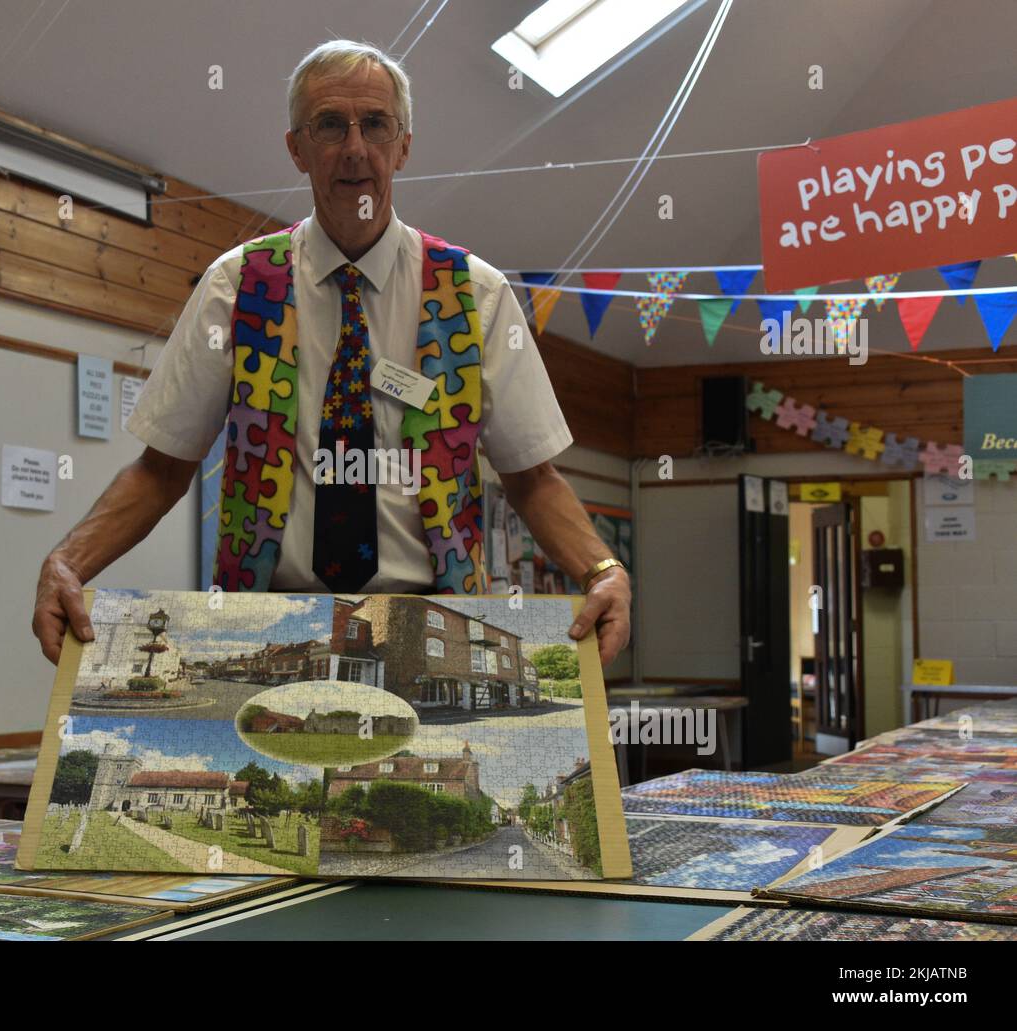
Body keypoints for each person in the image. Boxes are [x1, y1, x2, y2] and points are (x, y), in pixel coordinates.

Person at [33, 40, 630, 665]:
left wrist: (603, 569)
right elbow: (161, 469)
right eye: (329, 126)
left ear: (403, 145)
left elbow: (532, 476)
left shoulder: (476, 294)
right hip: (269, 627)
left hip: (433, 627)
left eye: (375, 124)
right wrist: (67, 563)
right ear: (296, 147)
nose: (354, 148)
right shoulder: (237, 286)